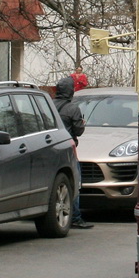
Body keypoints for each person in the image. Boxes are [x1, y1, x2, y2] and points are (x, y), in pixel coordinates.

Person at [53, 76, 93, 229]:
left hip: (49, 148)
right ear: (71, 91)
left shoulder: (48, 104)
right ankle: (75, 217)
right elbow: (78, 130)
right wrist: (81, 124)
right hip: (68, 149)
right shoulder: (72, 108)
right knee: (74, 182)